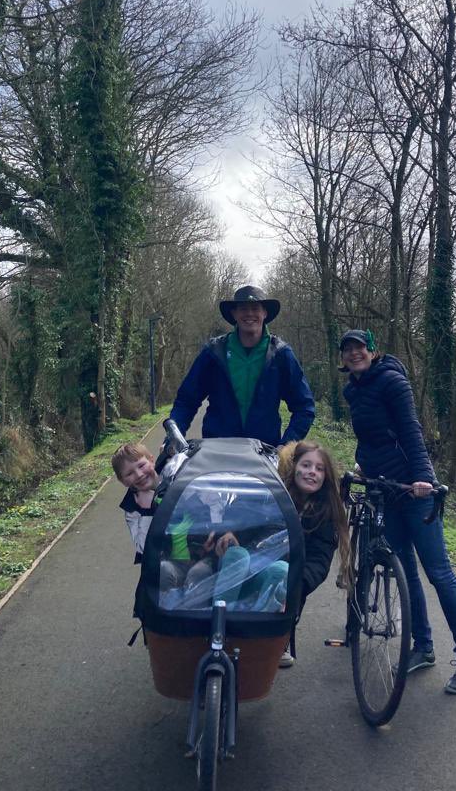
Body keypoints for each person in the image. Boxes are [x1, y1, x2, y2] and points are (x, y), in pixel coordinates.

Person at [339, 329, 456, 695]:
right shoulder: (351, 390)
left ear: (372, 350)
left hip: (414, 493)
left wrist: (422, 478)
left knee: (439, 573)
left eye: (359, 348)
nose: (354, 354)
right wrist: (362, 467)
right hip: (385, 489)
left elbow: (410, 432)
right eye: (347, 350)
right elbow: (371, 437)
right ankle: (424, 647)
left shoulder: (392, 382)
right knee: (405, 570)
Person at [168, 285, 315, 448]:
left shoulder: (281, 354)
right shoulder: (214, 352)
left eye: (255, 308)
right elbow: (186, 400)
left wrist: (286, 446)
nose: (250, 314)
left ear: (265, 313)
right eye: (243, 308)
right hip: (216, 452)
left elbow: (304, 407)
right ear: (234, 314)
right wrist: (173, 438)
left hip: (264, 455)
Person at [277, 440, 351, 667]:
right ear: (294, 467)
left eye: (319, 469)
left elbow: (320, 558)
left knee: (290, 594)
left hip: (296, 576)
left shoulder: (326, 511)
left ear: (326, 477)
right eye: (306, 465)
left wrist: (297, 586)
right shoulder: (276, 496)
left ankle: (281, 637)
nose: (312, 472)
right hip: (264, 565)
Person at [112, 442, 159, 562]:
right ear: (123, 481)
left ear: (152, 460)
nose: (139, 475)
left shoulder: (171, 475)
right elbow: (143, 548)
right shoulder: (132, 509)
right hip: (162, 561)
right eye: (129, 473)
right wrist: (147, 511)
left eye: (141, 465)